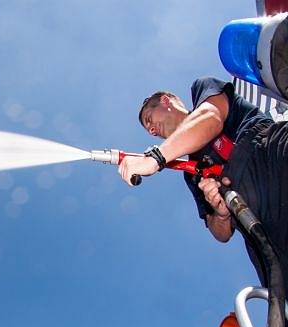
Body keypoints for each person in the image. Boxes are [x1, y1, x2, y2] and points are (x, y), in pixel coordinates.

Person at [121, 77, 288, 288]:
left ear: (165, 100)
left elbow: (211, 117)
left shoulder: (203, 90)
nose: (152, 130)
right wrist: (221, 212)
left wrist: (156, 157)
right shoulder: (191, 173)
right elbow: (221, 233)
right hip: (261, 225)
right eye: (148, 130)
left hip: (269, 155)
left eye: (149, 119)